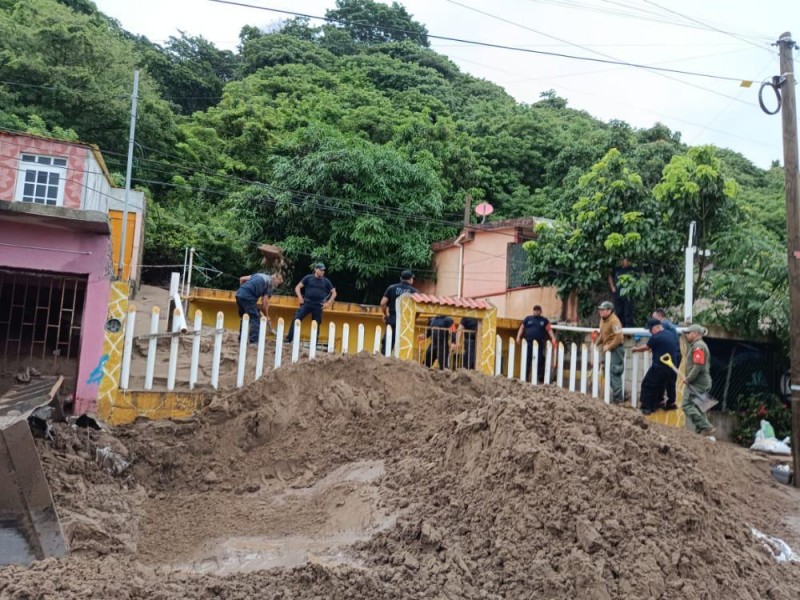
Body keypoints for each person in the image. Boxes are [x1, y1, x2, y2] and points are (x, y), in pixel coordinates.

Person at [632, 318, 680, 415]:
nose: (650, 332)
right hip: (672, 367)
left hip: (660, 366)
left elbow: (646, 347)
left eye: (651, 329)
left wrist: (636, 349)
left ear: (657, 327)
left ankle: (647, 408)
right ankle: (667, 403)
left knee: (648, 384)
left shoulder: (656, 337)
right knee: (663, 385)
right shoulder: (670, 334)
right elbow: (663, 346)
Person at [284, 263, 336, 344]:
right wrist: (300, 297)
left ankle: (314, 342)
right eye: (321, 270)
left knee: (316, 324)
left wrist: (328, 303)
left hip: (318, 305)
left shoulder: (326, 281)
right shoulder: (308, 278)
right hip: (307, 303)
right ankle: (289, 338)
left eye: (323, 270)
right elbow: (297, 287)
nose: (323, 272)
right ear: (316, 269)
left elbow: (334, 293)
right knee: (296, 318)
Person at [682, 324, 716, 436]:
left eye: (689, 332)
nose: (687, 335)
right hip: (701, 382)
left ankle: (706, 426)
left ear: (695, 333)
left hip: (697, 383)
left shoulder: (698, 346)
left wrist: (689, 378)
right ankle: (700, 430)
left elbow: (698, 365)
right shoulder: (696, 345)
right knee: (698, 406)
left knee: (686, 405)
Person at [235, 271, 283, 344]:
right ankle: (254, 342)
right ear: (275, 280)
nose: (276, 286)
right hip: (248, 298)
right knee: (255, 319)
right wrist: (266, 316)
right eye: (277, 284)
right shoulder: (270, 283)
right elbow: (264, 303)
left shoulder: (259, 275)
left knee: (244, 317)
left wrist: (243, 291)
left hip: (239, 294)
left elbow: (241, 279)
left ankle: (241, 339)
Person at [516, 305, 557, 383]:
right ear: (533, 310)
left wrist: (553, 338)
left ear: (540, 311)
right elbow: (521, 328)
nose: (536, 311)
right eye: (535, 310)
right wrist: (518, 337)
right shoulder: (528, 319)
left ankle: (536, 379)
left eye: (538, 310)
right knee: (527, 361)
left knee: (538, 361)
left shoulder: (544, 320)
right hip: (528, 343)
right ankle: (525, 378)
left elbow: (549, 330)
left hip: (539, 344)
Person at [380, 270, 418, 351]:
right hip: (406, 324)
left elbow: (383, 303)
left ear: (401, 278)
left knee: (387, 345)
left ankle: (384, 361)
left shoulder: (391, 288)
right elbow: (418, 309)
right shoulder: (415, 292)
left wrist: (386, 315)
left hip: (392, 320)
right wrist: (413, 319)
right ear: (411, 279)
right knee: (403, 348)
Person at [595, 300, 625, 403]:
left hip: (615, 350)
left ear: (609, 310)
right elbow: (602, 334)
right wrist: (597, 343)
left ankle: (619, 400)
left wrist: (609, 347)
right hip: (607, 348)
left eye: (603, 310)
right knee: (606, 372)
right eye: (600, 310)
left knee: (614, 372)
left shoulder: (614, 321)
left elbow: (619, 337)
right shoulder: (602, 320)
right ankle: (615, 397)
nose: (600, 312)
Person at [608, 257, 635, 328]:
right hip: (617, 293)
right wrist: (612, 287)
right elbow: (610, 276)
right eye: (626, 260)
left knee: (628, 312)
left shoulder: (631, 269)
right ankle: (620, 328)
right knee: (619, 312)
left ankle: (629, 330)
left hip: (628, 294)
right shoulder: (617, 269)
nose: (628, 262)